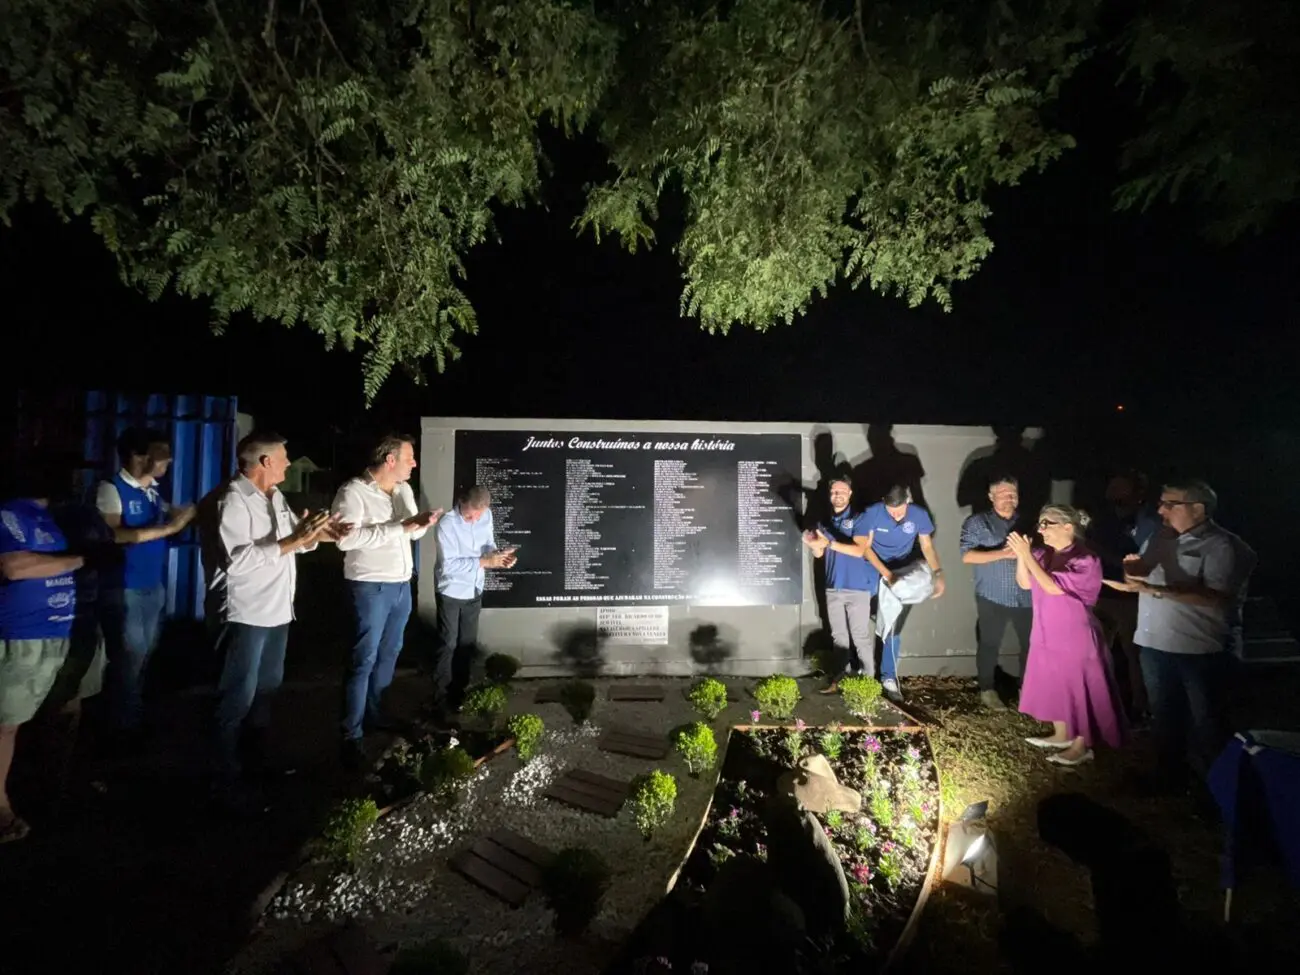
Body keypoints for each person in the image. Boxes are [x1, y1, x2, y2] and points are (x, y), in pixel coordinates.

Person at [202, 431, 350, 812]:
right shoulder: (232, 500)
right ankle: (223, 780)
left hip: (276, 611)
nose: (288, 463)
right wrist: (295, 539)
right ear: (265, 462)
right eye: (283, 458)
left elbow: (291, 541)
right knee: (236, 697)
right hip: (244, 612)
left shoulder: (274, 496)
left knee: (265, 692)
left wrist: (318, 533)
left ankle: (255, 766)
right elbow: (238, 561)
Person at [1105, 479, 1256, 790]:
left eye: (1170, 504)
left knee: (1209, 724)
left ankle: (1220, 791)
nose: (1160, 509)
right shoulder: (1161, 538)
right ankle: (1169, 777)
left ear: (1198, 510)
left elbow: (1217, 596)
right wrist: (1131, 571)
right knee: (1164, 717)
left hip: (1201, 650)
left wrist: (1152, 589)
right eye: (1161, 502)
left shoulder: (1223, 546)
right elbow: (1141, 575)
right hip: (1155, 645)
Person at [331, 433, 442, 768]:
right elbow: (345, 540)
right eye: (409, 457)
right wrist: (401, 526)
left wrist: (421, 524)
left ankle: (374, 714)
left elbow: (412, 531)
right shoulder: (353, 492)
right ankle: (350, 733)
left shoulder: (404, 490)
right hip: (369, 587)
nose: (414, 463)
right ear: (389, 460)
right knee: (363, 659)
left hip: (399, 585)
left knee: (388, 654)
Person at [0, 465, 85, 842]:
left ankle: (43, 792)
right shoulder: (10, 513)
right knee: (5, 723)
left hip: (53, 632)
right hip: (21, 634)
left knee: (34, 719)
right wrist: (78, 560)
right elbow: (16, 566)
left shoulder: (46, 516)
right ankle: (1, 807)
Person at [95, 428, 195, 740]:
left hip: (152, 585)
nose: (168, 459)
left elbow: (172, 516)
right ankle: (119, 727)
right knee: (129, 657)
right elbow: (114, 536)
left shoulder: (152, 490)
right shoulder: (110, 489)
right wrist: (170, 527)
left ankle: (130, 718)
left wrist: (182, 515)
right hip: (123, 587)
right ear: (139, 457)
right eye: (161, 452)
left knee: (144, 655)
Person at [1008, 505, 1125, 767]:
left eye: (1046, 524)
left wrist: (1027, 555)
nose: (1041, 530)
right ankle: (1062, 733)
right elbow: (1025, 583)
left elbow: (1051, 586)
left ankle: (1082, 746)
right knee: (1056, 682)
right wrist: (1021, 556)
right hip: (1046, 630)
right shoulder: (1044, 554)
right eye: (1040, 524)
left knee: (1077, 687)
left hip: (1075, 635)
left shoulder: (1085, 559)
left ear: (1068, 527)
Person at [432, 485, 516, 722]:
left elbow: (487, 545)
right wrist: (484, 561)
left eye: (478, 515)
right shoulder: (447, 524)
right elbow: (449, 566)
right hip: (450, 590)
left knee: (466, 644)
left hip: (474, 589)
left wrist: (499, 557)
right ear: (461, 502)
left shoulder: (485, 515)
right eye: (469, 515)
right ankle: (439, 698)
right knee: (447, 644)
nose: (473, 519)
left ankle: (458, 695)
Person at [859, 485, 945, 703]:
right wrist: (887, 575)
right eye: (891, 511)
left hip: (903, 570)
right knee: (859, 618)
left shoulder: (919, 515)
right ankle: (860, 670)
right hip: (874, 567)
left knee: (893, 624)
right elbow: (865, 548)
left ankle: (888, 677)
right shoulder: (873, 513)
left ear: (908, 501)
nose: (896, 515)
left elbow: (926, 545)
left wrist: (938, 573)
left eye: (900, 510)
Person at [1090, 471, 1160, 718]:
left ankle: (1140, 708)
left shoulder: (1149, 520)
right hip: (1101, 594)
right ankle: (1103, 705)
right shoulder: (1102, 518)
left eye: (1119, 486)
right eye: (1111, 485)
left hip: (1134, 597)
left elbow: (1144, 560)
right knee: (1098, 652)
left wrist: (1114, 560)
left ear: (1136, 491)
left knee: (1135, 655)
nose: (1112, 491)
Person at [959, 476, 1033, 710]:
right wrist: (1002, 553)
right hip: (992, 595)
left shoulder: (1030, 523)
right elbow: (967, 556)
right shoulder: (978, 523)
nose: (1008, 498)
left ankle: (1029, 690)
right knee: (989, 643)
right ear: (991, 497)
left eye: (1012, 493)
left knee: (1031, 645)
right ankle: (987, 690)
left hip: (1027, 597)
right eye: (1002, 494)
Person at [802, 476, 879, 693]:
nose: (838, 495)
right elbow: (819, 553)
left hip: (857, 588)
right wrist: (812, 544)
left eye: (842, 491)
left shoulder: (859, 518)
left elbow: (859, 550)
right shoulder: (823, 523)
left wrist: (830, 543)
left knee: (860, 636)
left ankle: (868, 684)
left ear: (850, 493)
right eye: (834, 492)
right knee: (838, 636)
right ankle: (840, 679)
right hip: (833, 588)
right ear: (829, 495)